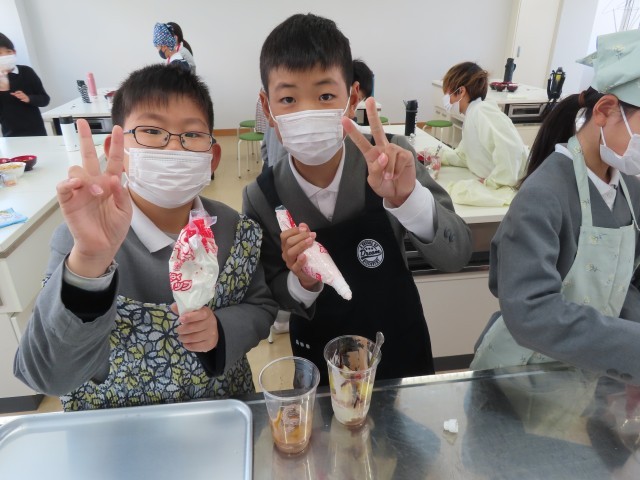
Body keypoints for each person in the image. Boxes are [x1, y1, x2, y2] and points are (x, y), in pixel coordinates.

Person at [13, 64, 277, 411]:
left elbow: (260, 306)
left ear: (212, 157)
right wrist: (89, 264)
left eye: (192, 135)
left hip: (220, 413)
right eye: (152, 131)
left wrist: (221, 329)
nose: (174, 148)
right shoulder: (80, 242)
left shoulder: (236, 231)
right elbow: (45, 374)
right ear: (117, 149)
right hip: (116, 426)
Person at [243, 13, 472, 385]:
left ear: (352, 98)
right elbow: (270, 296)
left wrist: (409, 200)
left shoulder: (391, 160)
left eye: (325, 96)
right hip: (319, 368)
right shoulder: (261, 197)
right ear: (267, 108)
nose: (307, 112)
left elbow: (457, 253)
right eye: (288, 99)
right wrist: (302, 282)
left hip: (400, 353)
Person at [470, 29, 640, 385]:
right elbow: (531, 312)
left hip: (587, 372)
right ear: (605, 111)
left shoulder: (630, 189)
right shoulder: (544, 195)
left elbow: (628, 284)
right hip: (520, 377)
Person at [437, 61, 528, 206]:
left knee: (455, 193)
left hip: (511, 184)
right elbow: (466, 156)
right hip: (497, 180)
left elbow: (511, 149)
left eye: (448, 95)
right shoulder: (472, 114)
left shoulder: (482, 111)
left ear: (461, 91)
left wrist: (494, 182)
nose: (447, 100)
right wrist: (439, 155)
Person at [0, 32, 49, 137]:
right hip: (11, 136)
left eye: (8, 52)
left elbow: (45, 99)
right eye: (0, 54)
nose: (5, 56)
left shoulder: (26, 72)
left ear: (14, 52)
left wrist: (29, 98)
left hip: (37, 131)